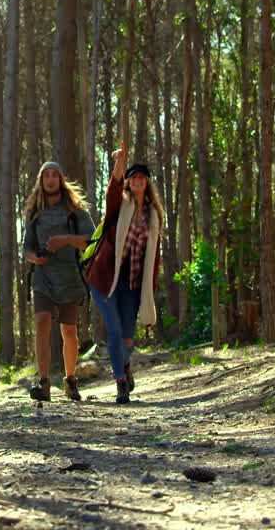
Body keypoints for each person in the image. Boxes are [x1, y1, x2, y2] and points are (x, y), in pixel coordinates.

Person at [84, 139, 163, 404]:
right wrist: (120, 161)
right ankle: (120, 382)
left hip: (132, 282)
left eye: (142, 177)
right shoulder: (120, 205)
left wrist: (149, 291)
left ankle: (125, 366)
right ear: (129, 182)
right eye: (134, 177)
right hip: (105, 278)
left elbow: (154, 256)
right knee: (115, 331)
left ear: (147, 182)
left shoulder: (153, 215)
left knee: (128, 338)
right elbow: (113, 190)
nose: (138, 180)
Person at [22, 161, 95, 402]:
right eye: (46, 176)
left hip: (69, 275)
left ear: (61, 180)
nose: (51, 179)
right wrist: (34, 258)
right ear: (41, 182)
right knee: (42, 321)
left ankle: (70, 379)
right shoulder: (35, 213)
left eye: (55, 175)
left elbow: (91, 241)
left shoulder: (76, 211)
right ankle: (43, 382)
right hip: (43, 276)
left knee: (69, 330)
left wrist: (65, 240)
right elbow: (27, 248)